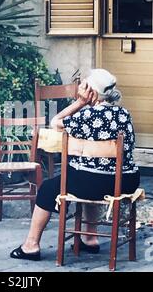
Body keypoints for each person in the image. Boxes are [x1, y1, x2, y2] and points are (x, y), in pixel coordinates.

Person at [10, 69, 140, 261]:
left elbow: (55, 122)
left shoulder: (85, 115)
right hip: (125, 181)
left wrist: (80, 102)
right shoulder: (124, 114)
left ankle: (31, 245)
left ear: (92, 93)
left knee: (49, 187)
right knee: (89, 172)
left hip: (93, 184)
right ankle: (90, 237)